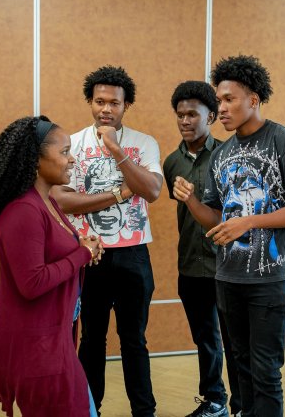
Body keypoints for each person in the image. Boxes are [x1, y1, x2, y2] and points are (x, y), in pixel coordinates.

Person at [172, 55, 285, 417]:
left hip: (271, 276)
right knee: (241, 367)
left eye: (229, 99)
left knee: (266, 370)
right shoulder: (223, 153)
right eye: (218, 100)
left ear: (253, 99)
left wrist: (249, 222)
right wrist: (191, 201)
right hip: (228, 276)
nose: (221, 108)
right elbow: (216, 219)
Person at [0, 115, 103, 416]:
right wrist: (82, 254)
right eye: (65, 152)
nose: (72, 159)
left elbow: (54, 250)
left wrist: (83, 246)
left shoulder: (46, 201)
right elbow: (32, 283)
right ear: (35, 160)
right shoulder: (23, 210)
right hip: (37, 350)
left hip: (54, 341)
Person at [51, 65, 162, 417]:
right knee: (91, 340)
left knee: (134, 340)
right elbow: (61, 199)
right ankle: (89, 409)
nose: (106, 109)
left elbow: (152, 190)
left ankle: (144, 412)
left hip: (133, 255)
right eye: (100, 101)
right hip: (89, 256)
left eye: (114, 103)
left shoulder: (144, 143)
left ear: (125, 105)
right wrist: (120, 194)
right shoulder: (73, 144)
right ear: (90, 102)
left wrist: (116, 150)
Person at [163, 80, 241, 417]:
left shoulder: (229, 155)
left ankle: (242, 405)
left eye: (192, 114)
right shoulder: (171, 163)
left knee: (235, 342)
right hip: (190, 267)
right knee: (206, 340)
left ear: (210, 117)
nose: (185, 121)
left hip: (227, 266)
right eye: (180, 115)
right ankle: (214, 401)